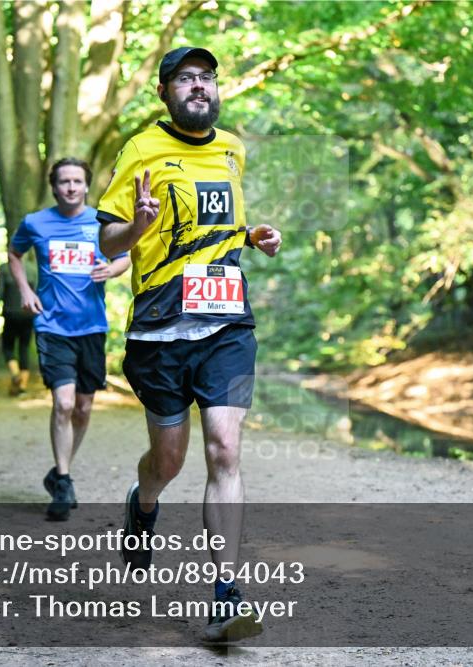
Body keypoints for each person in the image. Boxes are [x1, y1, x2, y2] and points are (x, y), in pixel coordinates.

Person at [97, 46, 282, 643]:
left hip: (227, 320)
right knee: (169, 461)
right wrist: (139, 226)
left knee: (224, 451)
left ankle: (226, 594)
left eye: (205, 78)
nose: (198, 87)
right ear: (164, 91)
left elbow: (217, 226)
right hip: (159, 328)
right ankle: (143, 499)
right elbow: (107, 243)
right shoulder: (141, 150)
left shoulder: (232, 148)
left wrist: (252, 236)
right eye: (185, 79)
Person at [8, 157, 130, 521]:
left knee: (83, 407)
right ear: (54, 186)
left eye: (77, 181)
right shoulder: (35, 223)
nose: (71, 187)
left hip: (91, 327)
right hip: (52, 326)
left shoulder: (101, 222)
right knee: (62, 403)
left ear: (87, 186)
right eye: (64, 182)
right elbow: (15, 254)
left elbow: (125, 257)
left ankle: (60, 469)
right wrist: (25, 291)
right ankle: (62, 479)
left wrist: (113, 268)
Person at [0, 259, 36, 395]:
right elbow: (38, 292)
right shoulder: (33, 269)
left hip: (10, 313)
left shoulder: (5, 268)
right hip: (28, 314)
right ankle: (22, 387)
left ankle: (16, 374)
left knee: (8, 347)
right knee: (24, 348)